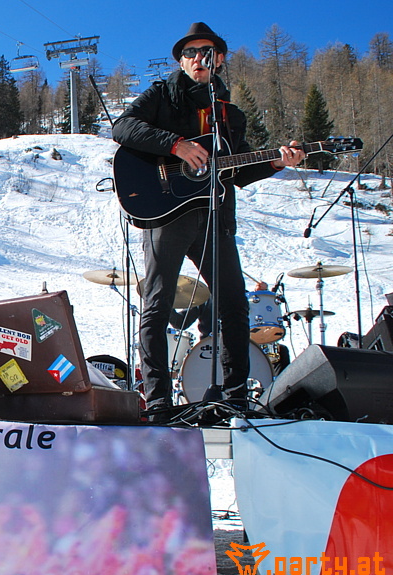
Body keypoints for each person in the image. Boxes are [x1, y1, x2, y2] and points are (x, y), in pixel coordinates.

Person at [112, 23, 305, 419]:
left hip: (215, 215)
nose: (198, 58)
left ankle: (236, 396)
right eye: (191, 52)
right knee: (157, 304)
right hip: (167, 212)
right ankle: (159, 401)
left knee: (233, 304)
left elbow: (238, 170)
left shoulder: (229, 115)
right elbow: (123, 127)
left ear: (219, 60)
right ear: (182, 61)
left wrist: (275, 162)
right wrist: (176, 145)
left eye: (207, 52)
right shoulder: (162, 95)